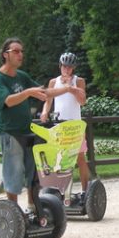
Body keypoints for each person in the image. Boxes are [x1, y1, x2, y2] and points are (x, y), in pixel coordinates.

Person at [0, 37, 69, 210]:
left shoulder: (22, 76)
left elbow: (44, 92)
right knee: (14, 172)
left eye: (21, 51)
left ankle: (34, 207)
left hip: (27, 131)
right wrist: (29, 92)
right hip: (9, 133)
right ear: (5, 55)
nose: (20, 54)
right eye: (16, 51)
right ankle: (13, 210)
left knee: (34, 172)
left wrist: (67, 89)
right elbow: (8, 101)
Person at [41, 52, 90, 195]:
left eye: (69, 67)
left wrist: (71, 87)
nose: (66, 69)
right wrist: (45, 112)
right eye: (64, 66)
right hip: (59, 125)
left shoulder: (78, 81)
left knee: (80, 158)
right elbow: (48, 101)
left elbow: (82, 101)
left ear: (73, 68)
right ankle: (62, 191)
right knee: (60, 158)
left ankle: (85, 191)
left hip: (75, 125)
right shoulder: (53, 82)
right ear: (60, 66)